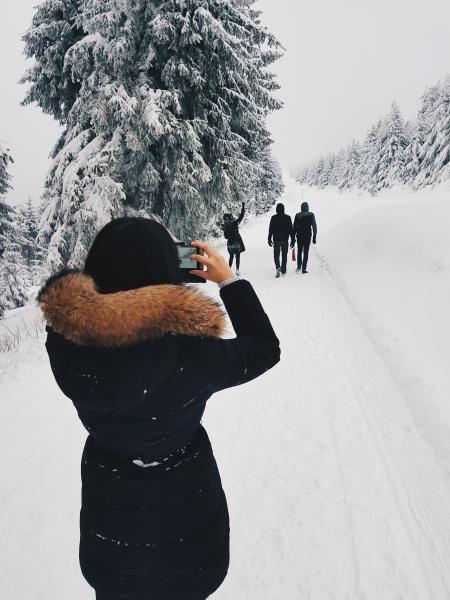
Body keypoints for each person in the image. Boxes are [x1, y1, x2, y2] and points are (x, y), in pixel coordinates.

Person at [38, 217, 280, 600]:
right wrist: (228, 280)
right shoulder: (195, 356)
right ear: (168, 272)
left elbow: (110, 294)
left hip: (111, 544)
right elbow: (265, 348)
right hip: (190, 548)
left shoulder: (67, 349)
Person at [268, 203, 294, 278]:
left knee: (276, 255)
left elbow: (271, 230)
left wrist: (269, 239)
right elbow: (291, 230)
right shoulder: (288, 217)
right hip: (285, 240)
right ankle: (283, 269)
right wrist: (292, 240)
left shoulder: (273, 218)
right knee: (284, 255)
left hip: (276, 240)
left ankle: (278, 267)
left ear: (276, 209)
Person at [292, 201, 318, 274]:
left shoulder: (297, 215)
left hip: (299, 236)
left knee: (299, 251)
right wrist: (314, 236)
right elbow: (314, 226)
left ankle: (298, 267)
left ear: (301, 207)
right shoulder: (311, 215)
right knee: (306, 252)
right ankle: (304, 269)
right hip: (307, 236)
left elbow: (294, 227)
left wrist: (293, 237)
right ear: (307, 207)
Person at [222, 202, 246, 275]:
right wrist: (243, 208)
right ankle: (237, 270)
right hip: (237, 243)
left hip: (230, 243)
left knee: (231, 257)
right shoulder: (235, 223)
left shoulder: (225, 225)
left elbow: (225, 237)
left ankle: (228, 271)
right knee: (237, 256)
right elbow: (241, 217)